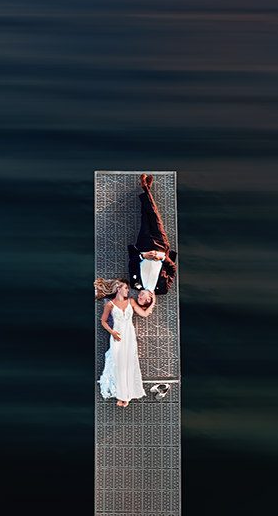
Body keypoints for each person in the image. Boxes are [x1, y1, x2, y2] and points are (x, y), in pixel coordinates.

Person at [95, 279, 154, 407]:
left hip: (129, 336)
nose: (128, 290)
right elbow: (103, 321)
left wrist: (153, 301)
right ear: (118, 288)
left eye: (127, 288)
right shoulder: (110, 304)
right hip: (117, 337)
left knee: (129, 363)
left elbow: (144, 314)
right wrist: (112, 332)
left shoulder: (131, 302)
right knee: (118, 364)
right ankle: (122, 395)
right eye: (126, 288)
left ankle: (126, 396)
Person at [127, 174, 177, 295]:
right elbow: (172, 269)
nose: (140, 297)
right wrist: (163, 258)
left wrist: (143, 257)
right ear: (149, 300)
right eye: (143, 299)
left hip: (144, 246)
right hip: (161, 246)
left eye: (138, 298)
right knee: (155, 217)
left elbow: (132, 263)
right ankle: (145, 188)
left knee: (145, 217)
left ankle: (147, 189)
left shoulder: (136, 284)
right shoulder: (163, 289)